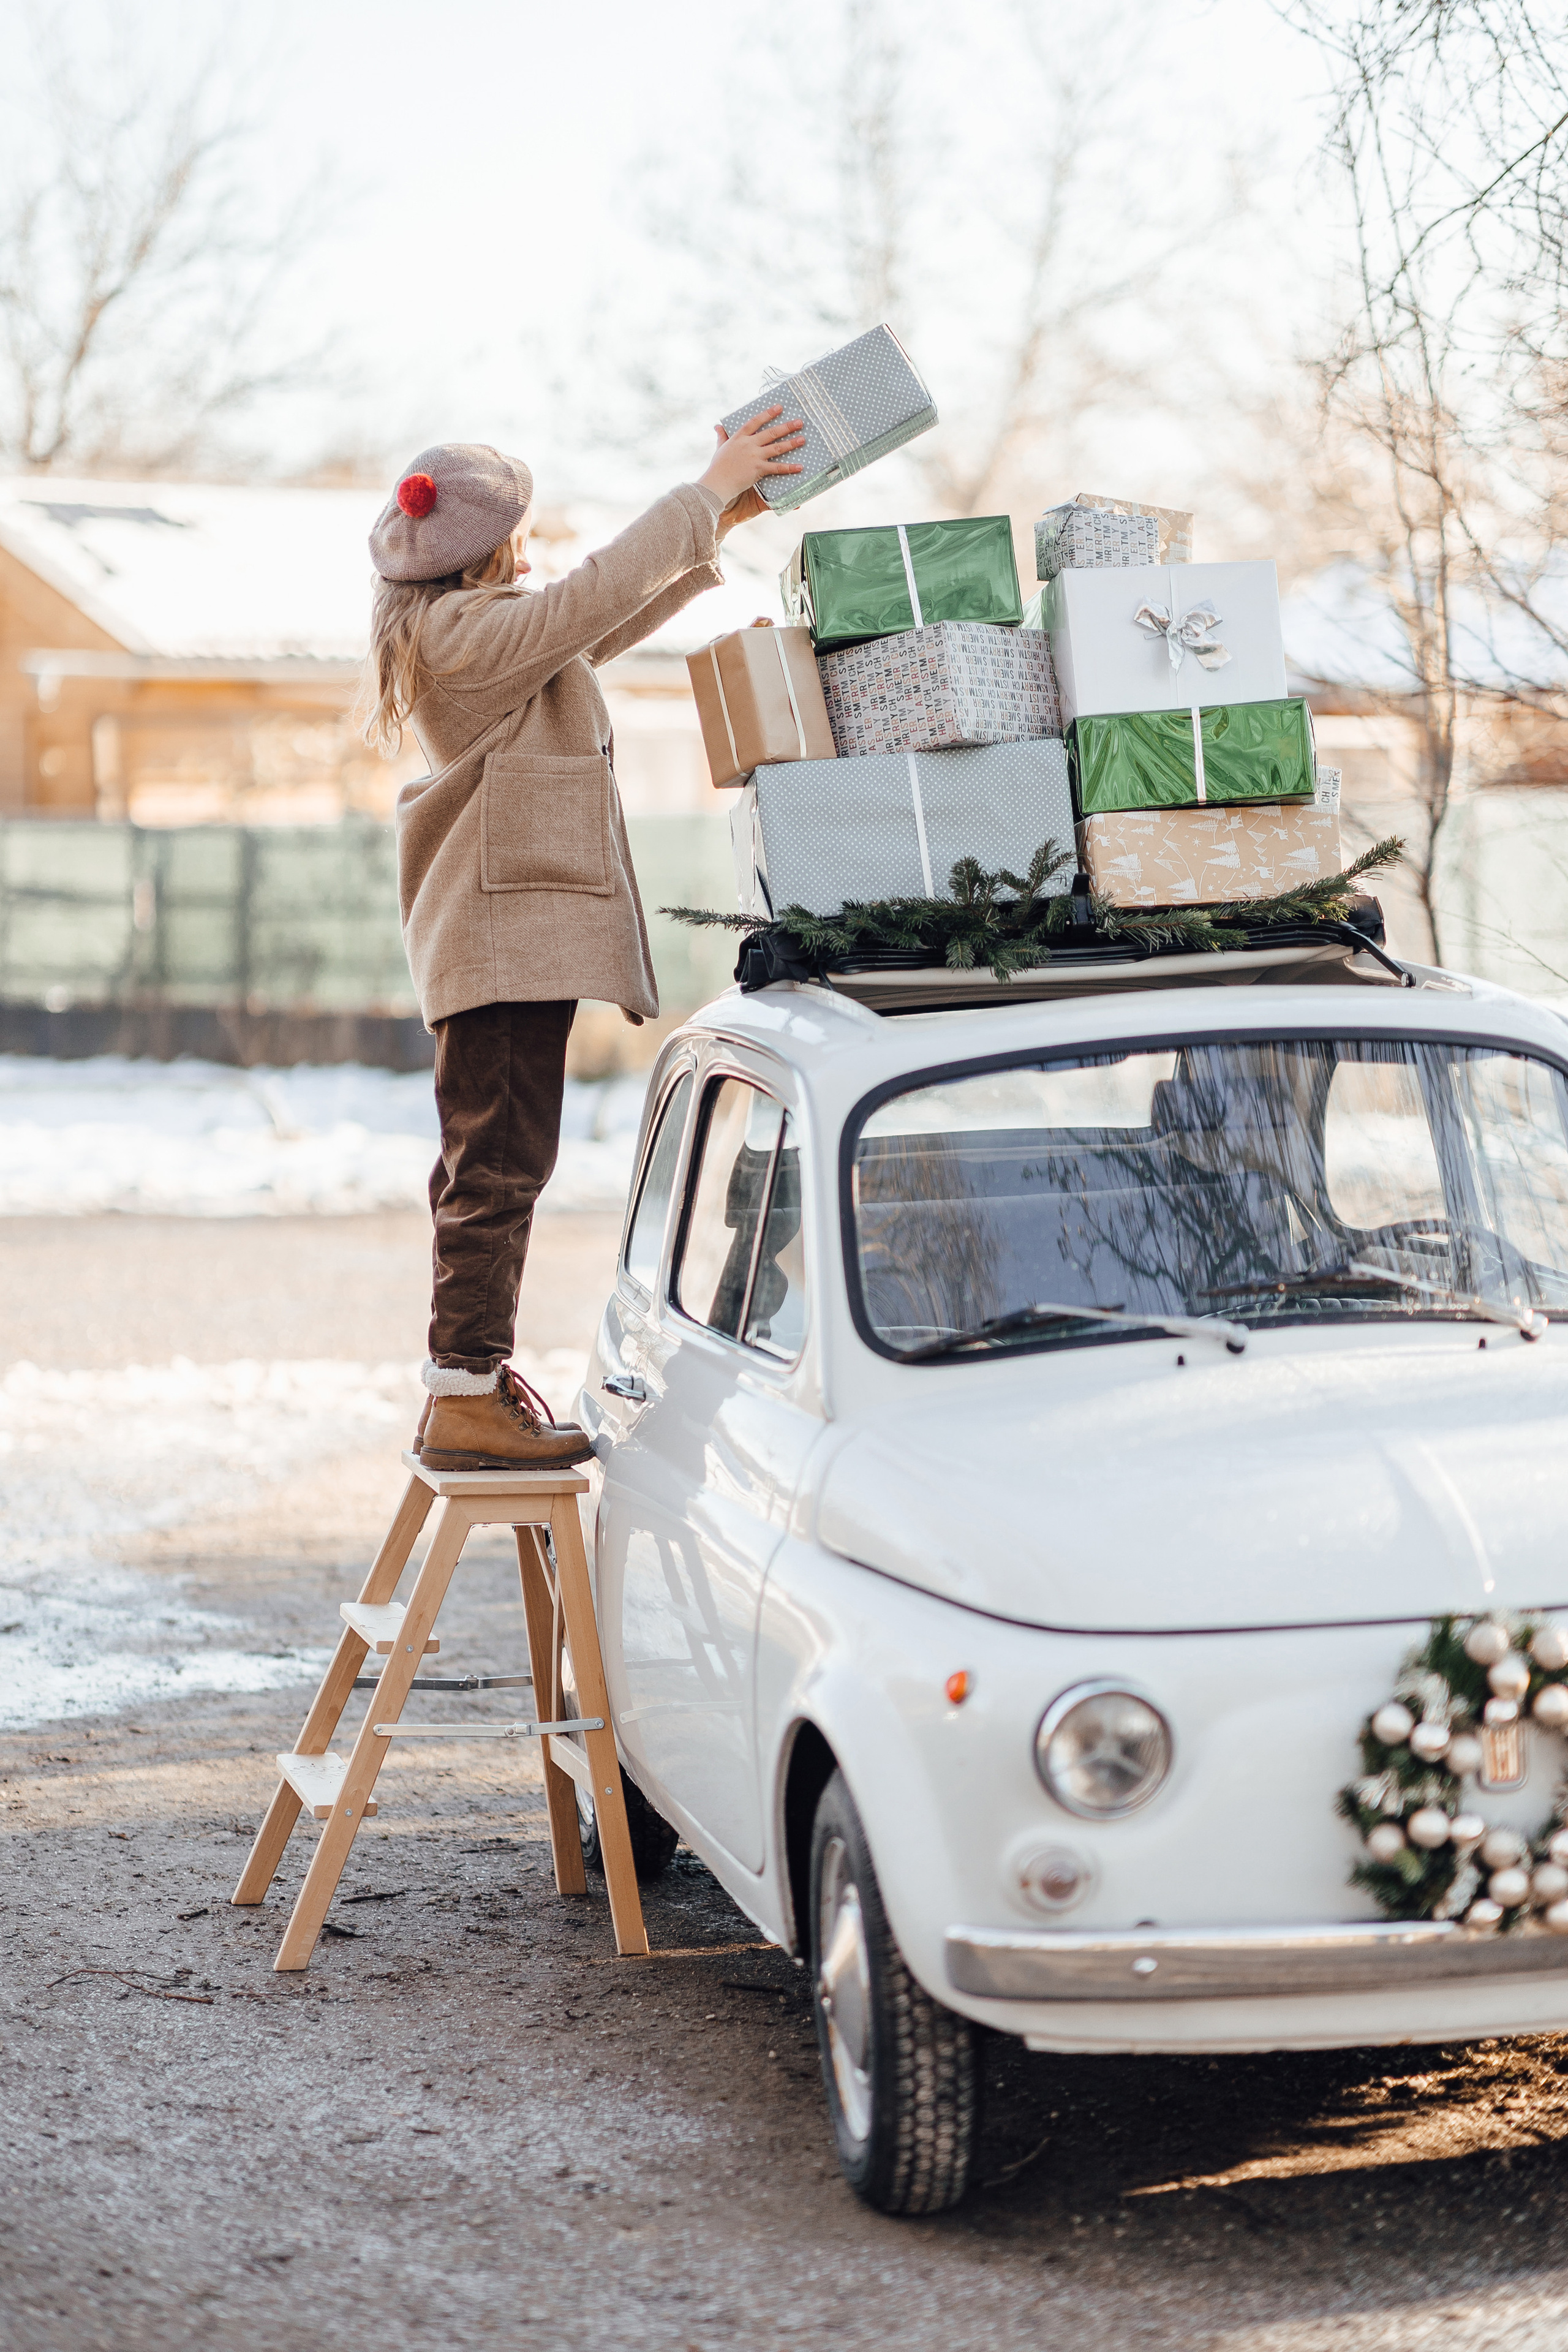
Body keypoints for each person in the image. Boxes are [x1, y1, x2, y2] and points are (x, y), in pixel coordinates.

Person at [361, 412, 804, 1471]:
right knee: (497, 1167)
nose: (535, 551)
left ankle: (467, 1381)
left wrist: (721, 518)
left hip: (510, 938)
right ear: (487, 555)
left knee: (501, 1159)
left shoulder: (480, 633)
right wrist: (701, 494)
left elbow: (600, 620)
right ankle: (464, 1390)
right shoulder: (458, 640)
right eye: (519, 537)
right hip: (500, 940)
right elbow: (588, 600)